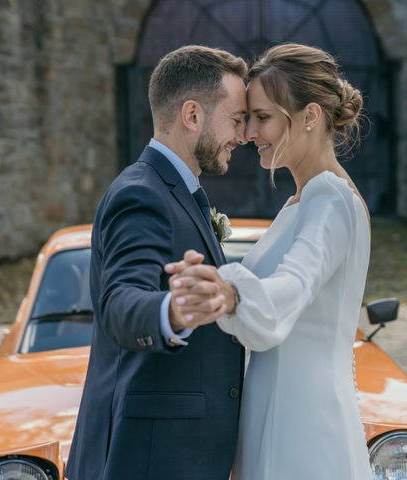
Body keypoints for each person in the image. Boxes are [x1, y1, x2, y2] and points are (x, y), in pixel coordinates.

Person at [166, 43, 373, 479]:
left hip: (299, 423)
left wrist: (232, 292)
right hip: (275, 410)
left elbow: (293, 285)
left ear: (310, 117)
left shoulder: (330, 200)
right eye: (247, 118)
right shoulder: (302, 202)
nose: (248, 133)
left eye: (262, 117)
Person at [66, 45, 248, 480]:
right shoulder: (142, 193)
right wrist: (171, 311)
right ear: (192, 115)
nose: (242, 136)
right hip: (148, 459)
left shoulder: (174, 192)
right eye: (236, 119)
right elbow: (120, 302)